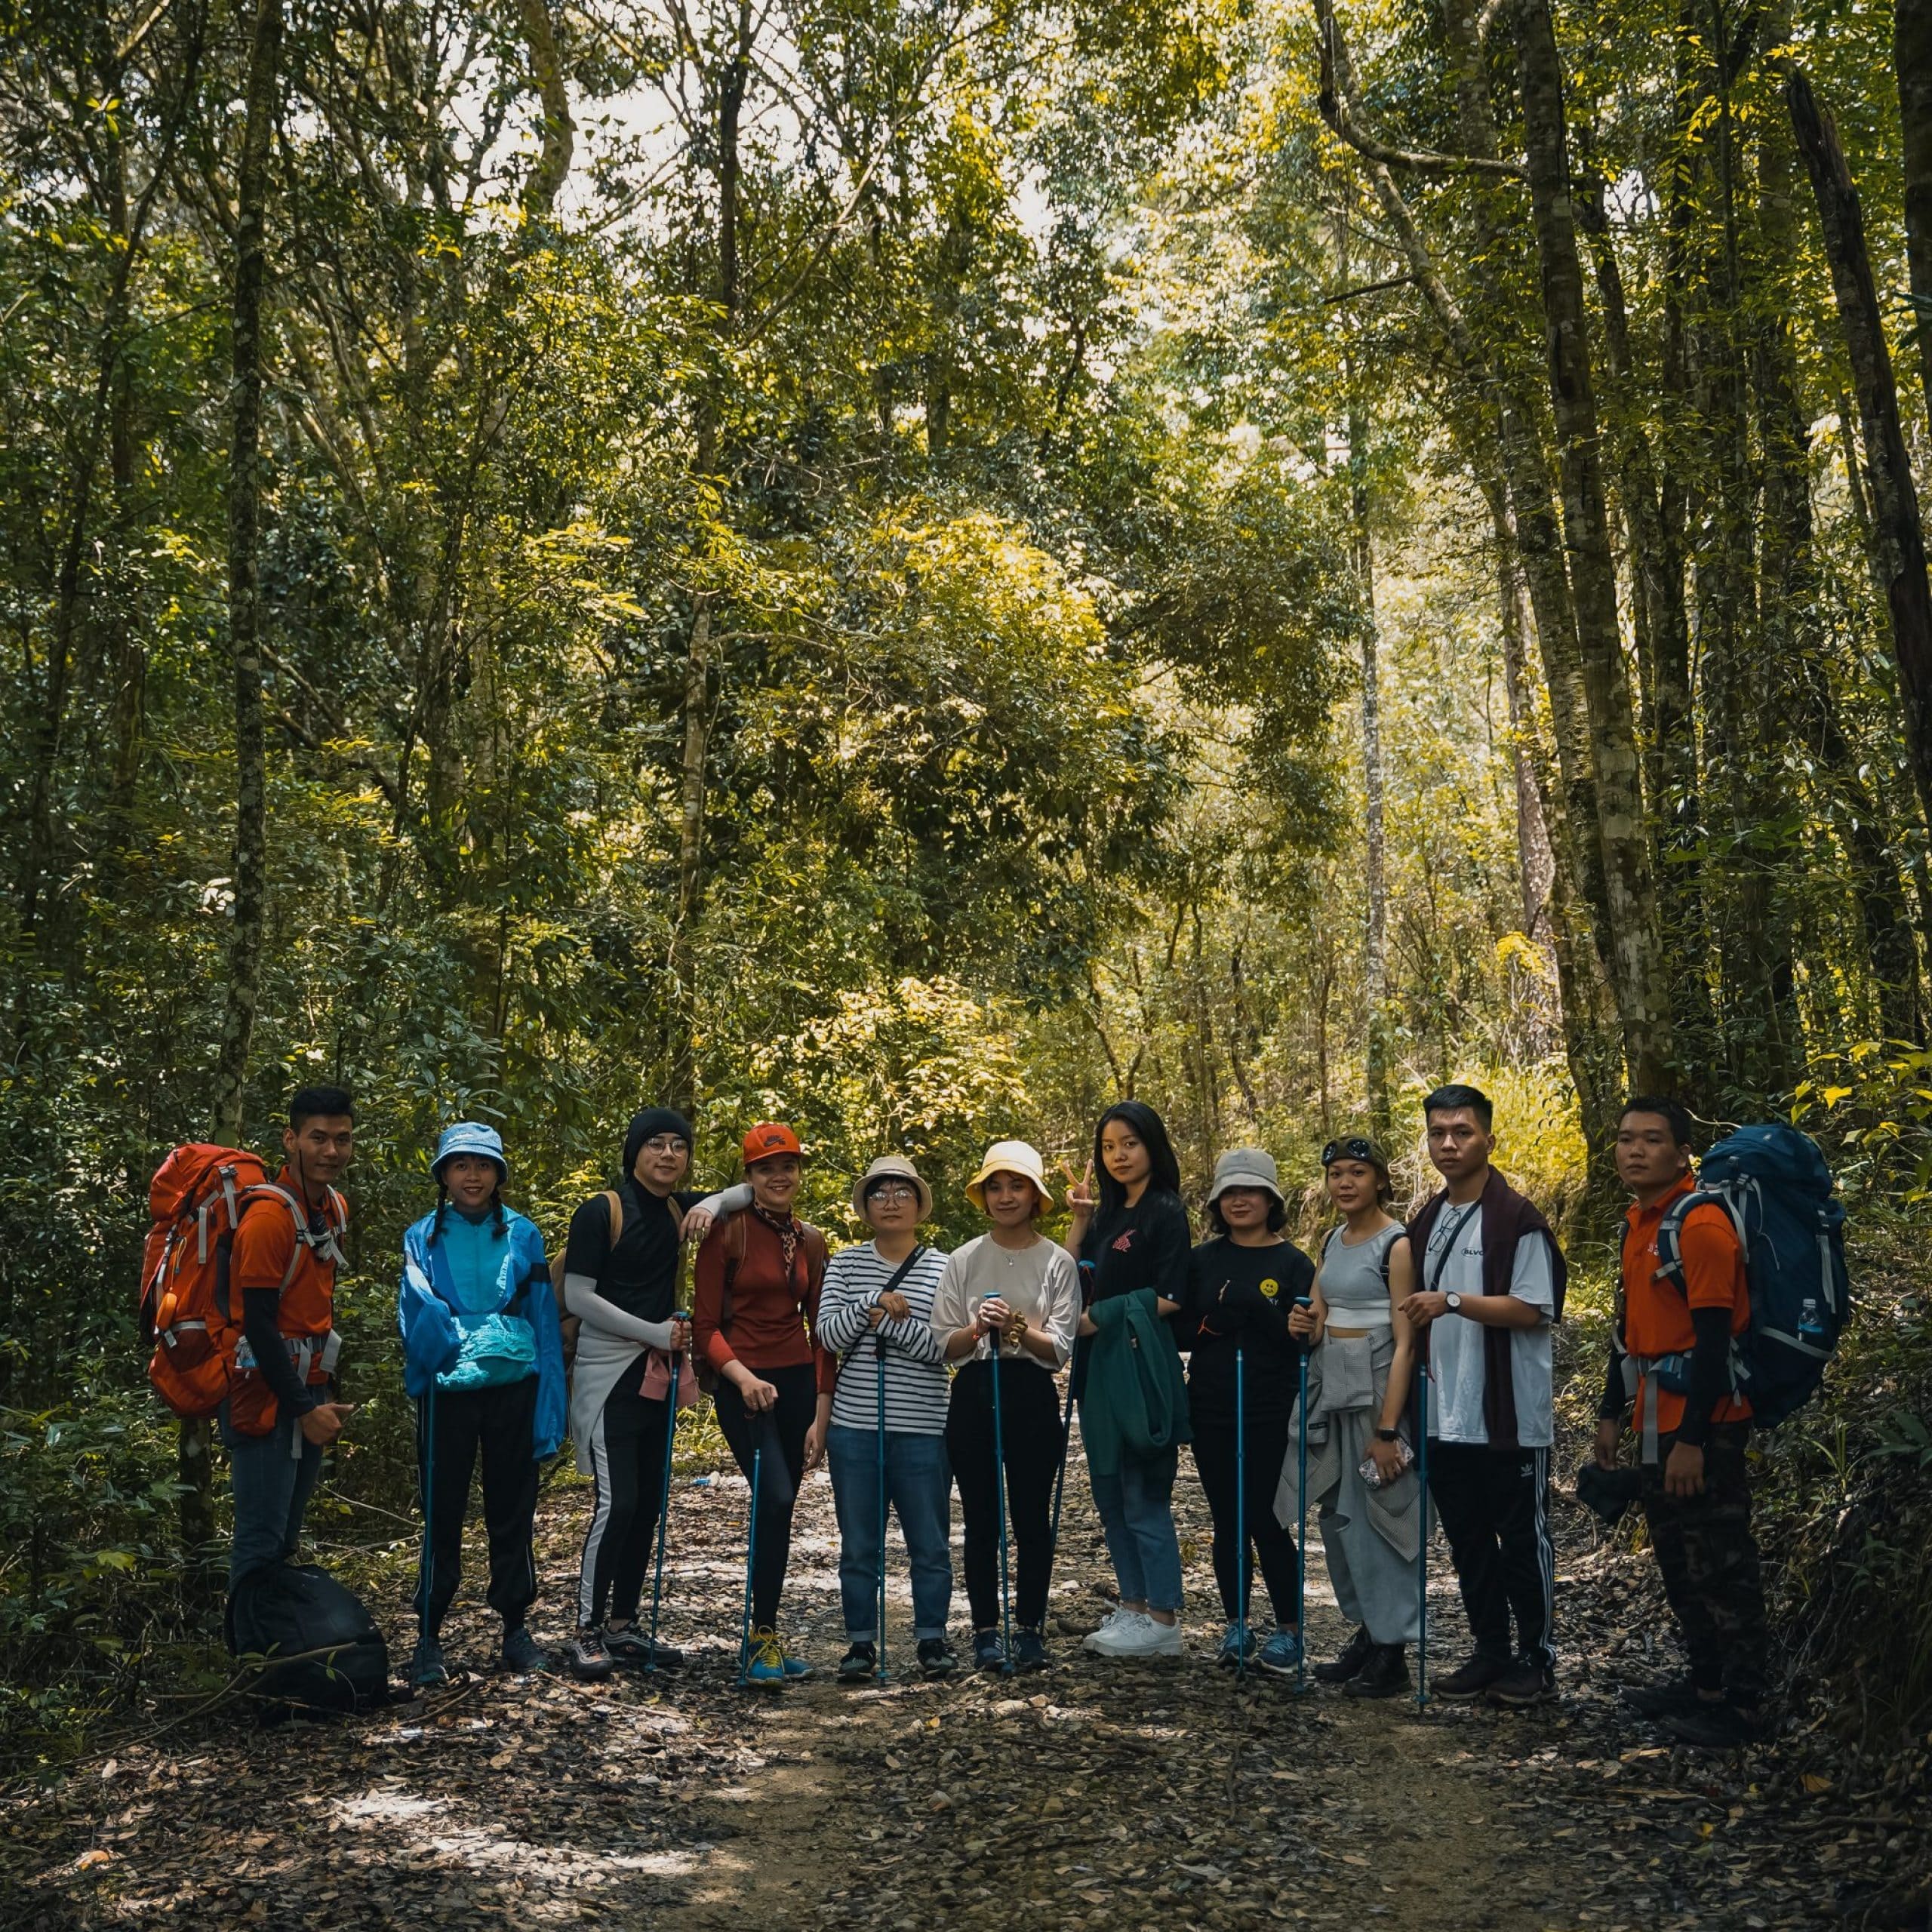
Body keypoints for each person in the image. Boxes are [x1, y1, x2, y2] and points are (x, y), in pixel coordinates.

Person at [1595, 1097, 1767, 1749]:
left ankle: (1745, 1706)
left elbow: (1715, 1339)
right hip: (1651, 1417)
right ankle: (1705, 1686)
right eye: (1626, 1138)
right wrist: (1612, 1413)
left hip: (1705, 1423)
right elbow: (1629, 1333)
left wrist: (1693, 1440)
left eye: (1652, 1139)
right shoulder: (1640, 1222)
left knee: (1720, 1561)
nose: (1635, 1150)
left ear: (1682, 1152)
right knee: (1676, 1555)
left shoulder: (1699, 1226)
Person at [558, 1108, 744, 1681]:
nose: (668, 1155)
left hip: (658, 1376)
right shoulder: (601, 1211)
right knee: (618, 1502)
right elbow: (578, 1295)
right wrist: (654, 1332)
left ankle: (622, 1625)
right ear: (634, 1152)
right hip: (610, 1371)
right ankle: (586, 1630)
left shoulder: (676, 1208)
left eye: (678, 1146)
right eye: (656, 1145)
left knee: (648, 1504)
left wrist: (710, 1204)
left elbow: (747, 1188)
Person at [1400, 1083, 1567, 1706]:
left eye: (1462, 1132)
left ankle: (1537, 1659)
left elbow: (1532, 1309)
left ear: (1489, 1139)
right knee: (1467, 1538)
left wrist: (1450, 1302)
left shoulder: (1516, 1220)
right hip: (1445, 1414)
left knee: (1521, 1539)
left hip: (1507, 1415)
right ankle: (1490, 1650)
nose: (1449, 1143)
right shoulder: (1427, 1218)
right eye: (1438, 1132)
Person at [398, 1123, 567, 1687]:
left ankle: (515, 1627)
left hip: (512, 1387)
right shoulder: (421, 1235)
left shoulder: (523, 1234)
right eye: (461, 1165)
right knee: (439, 1512)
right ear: (443, 1174)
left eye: (484, 1165)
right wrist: (425, 1376)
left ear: (499, 1174)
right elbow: (414, 1315)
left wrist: (549, 1405)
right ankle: (427, 1636)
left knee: (513, 1510)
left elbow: (543, 1318)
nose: (473, 1176)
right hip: (447, 1392)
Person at [931, 1141, 1081, 1672]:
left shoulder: (1057, 1261)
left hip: (1031, 1393)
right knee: (981, 1518)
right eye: (995, 1186)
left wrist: (1016, 1326)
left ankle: (1031, 1628)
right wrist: (976, 1328)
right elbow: (943, 1344)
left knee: (1031, 1517)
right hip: (974, 1390)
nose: (1004, 1196)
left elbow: (1060, 1349)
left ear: (1035, 1196)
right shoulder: (965, 1258)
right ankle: (985, 1631)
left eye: (1016, 1186)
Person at [694, 1121, 832, 1685]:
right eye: (766, 1167)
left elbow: (821, 1330)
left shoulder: (812, 1239)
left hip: (797, 1383)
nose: (779, 1175)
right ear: (749, 1177)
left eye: (788, 1166)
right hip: (741, 1385)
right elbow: (704, 1325)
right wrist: (742, 1377)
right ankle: (760, 1642)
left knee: (780, 1512)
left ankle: (764, 1638)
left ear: (799, 1173)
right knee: (773, 1496)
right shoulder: (727, 1232)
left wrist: (822, 1413)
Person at [1282, 1136, 1420, 1697]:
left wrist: (1388, 1430)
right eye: (1336, 1173)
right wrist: (1303, 1327)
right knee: (1339, 1517)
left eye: (1357, 1173)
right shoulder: (1332, 1241)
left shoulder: (1397, 1245)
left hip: (1375, 1399)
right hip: (1331, 1390)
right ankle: (1368, 1634)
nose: (1344, 1183)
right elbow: (1317, 1315)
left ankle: (1393, 1651)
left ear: (1380, 1180)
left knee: (1383, 1518)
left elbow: (1407, 1341)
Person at [814, 1155, 956, 1681]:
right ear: (866, 1206)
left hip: (923, 1425)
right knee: (859, 1544)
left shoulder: (946, 1267)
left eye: (902, 1191)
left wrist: (892, 1328)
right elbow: (827, 1336)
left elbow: (947, 1348)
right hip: (854, 1426)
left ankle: (932, 1640)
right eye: (880, 1192)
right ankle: (859, 1645)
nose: (891, 1200)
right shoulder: (846, 1264)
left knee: (930, 1542)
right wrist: (872, 1304)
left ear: (919, 1204)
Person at [1178, 1147, 1315, 1675]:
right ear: (1217, 1200)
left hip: (1269, 1407)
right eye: (1230, 1192)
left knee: (1267, 1517)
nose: (1240, 1200)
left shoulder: (1294, 1263)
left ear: (1270, 1198)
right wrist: (1213, 1324)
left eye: (1251, 1191)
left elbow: (1302, 1344)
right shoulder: (1201, 1260)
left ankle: (1289, 1630)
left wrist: (1262, 1313)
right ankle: (1237, 1623)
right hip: (1212, 1402)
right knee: (1226, 1520)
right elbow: (1180, 1329)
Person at [1066, 1100, 1192, 1659]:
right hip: (1097, 1368)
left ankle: (1163, 1617)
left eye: (1130, 1143)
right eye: (1109, 1146)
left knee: (1143, 1492)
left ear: (1152, 1146)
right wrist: (1079, 1219)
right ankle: (1135, 1605)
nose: (1118, 1155)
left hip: (1140, 1366)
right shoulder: (1109, 1216)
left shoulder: (1165, 1211)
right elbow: (1067, 1278)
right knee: (1110, 1492)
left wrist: (1105, 1316)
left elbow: (1171, 1297)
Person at [219, 1087, 355, 1595]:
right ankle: (251, 1661)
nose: (331, 1151)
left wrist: (320, 1395)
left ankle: (277, 1657)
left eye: (342, 1139)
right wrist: (304, 1408)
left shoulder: (332, 1209)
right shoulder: (268, 1219)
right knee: (259, 1541)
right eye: (318, 1138)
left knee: (284, 1541)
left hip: (305, 1392)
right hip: (262, 1396)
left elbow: (312, 1310)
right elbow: (259, 1325)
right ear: (290, 1139)